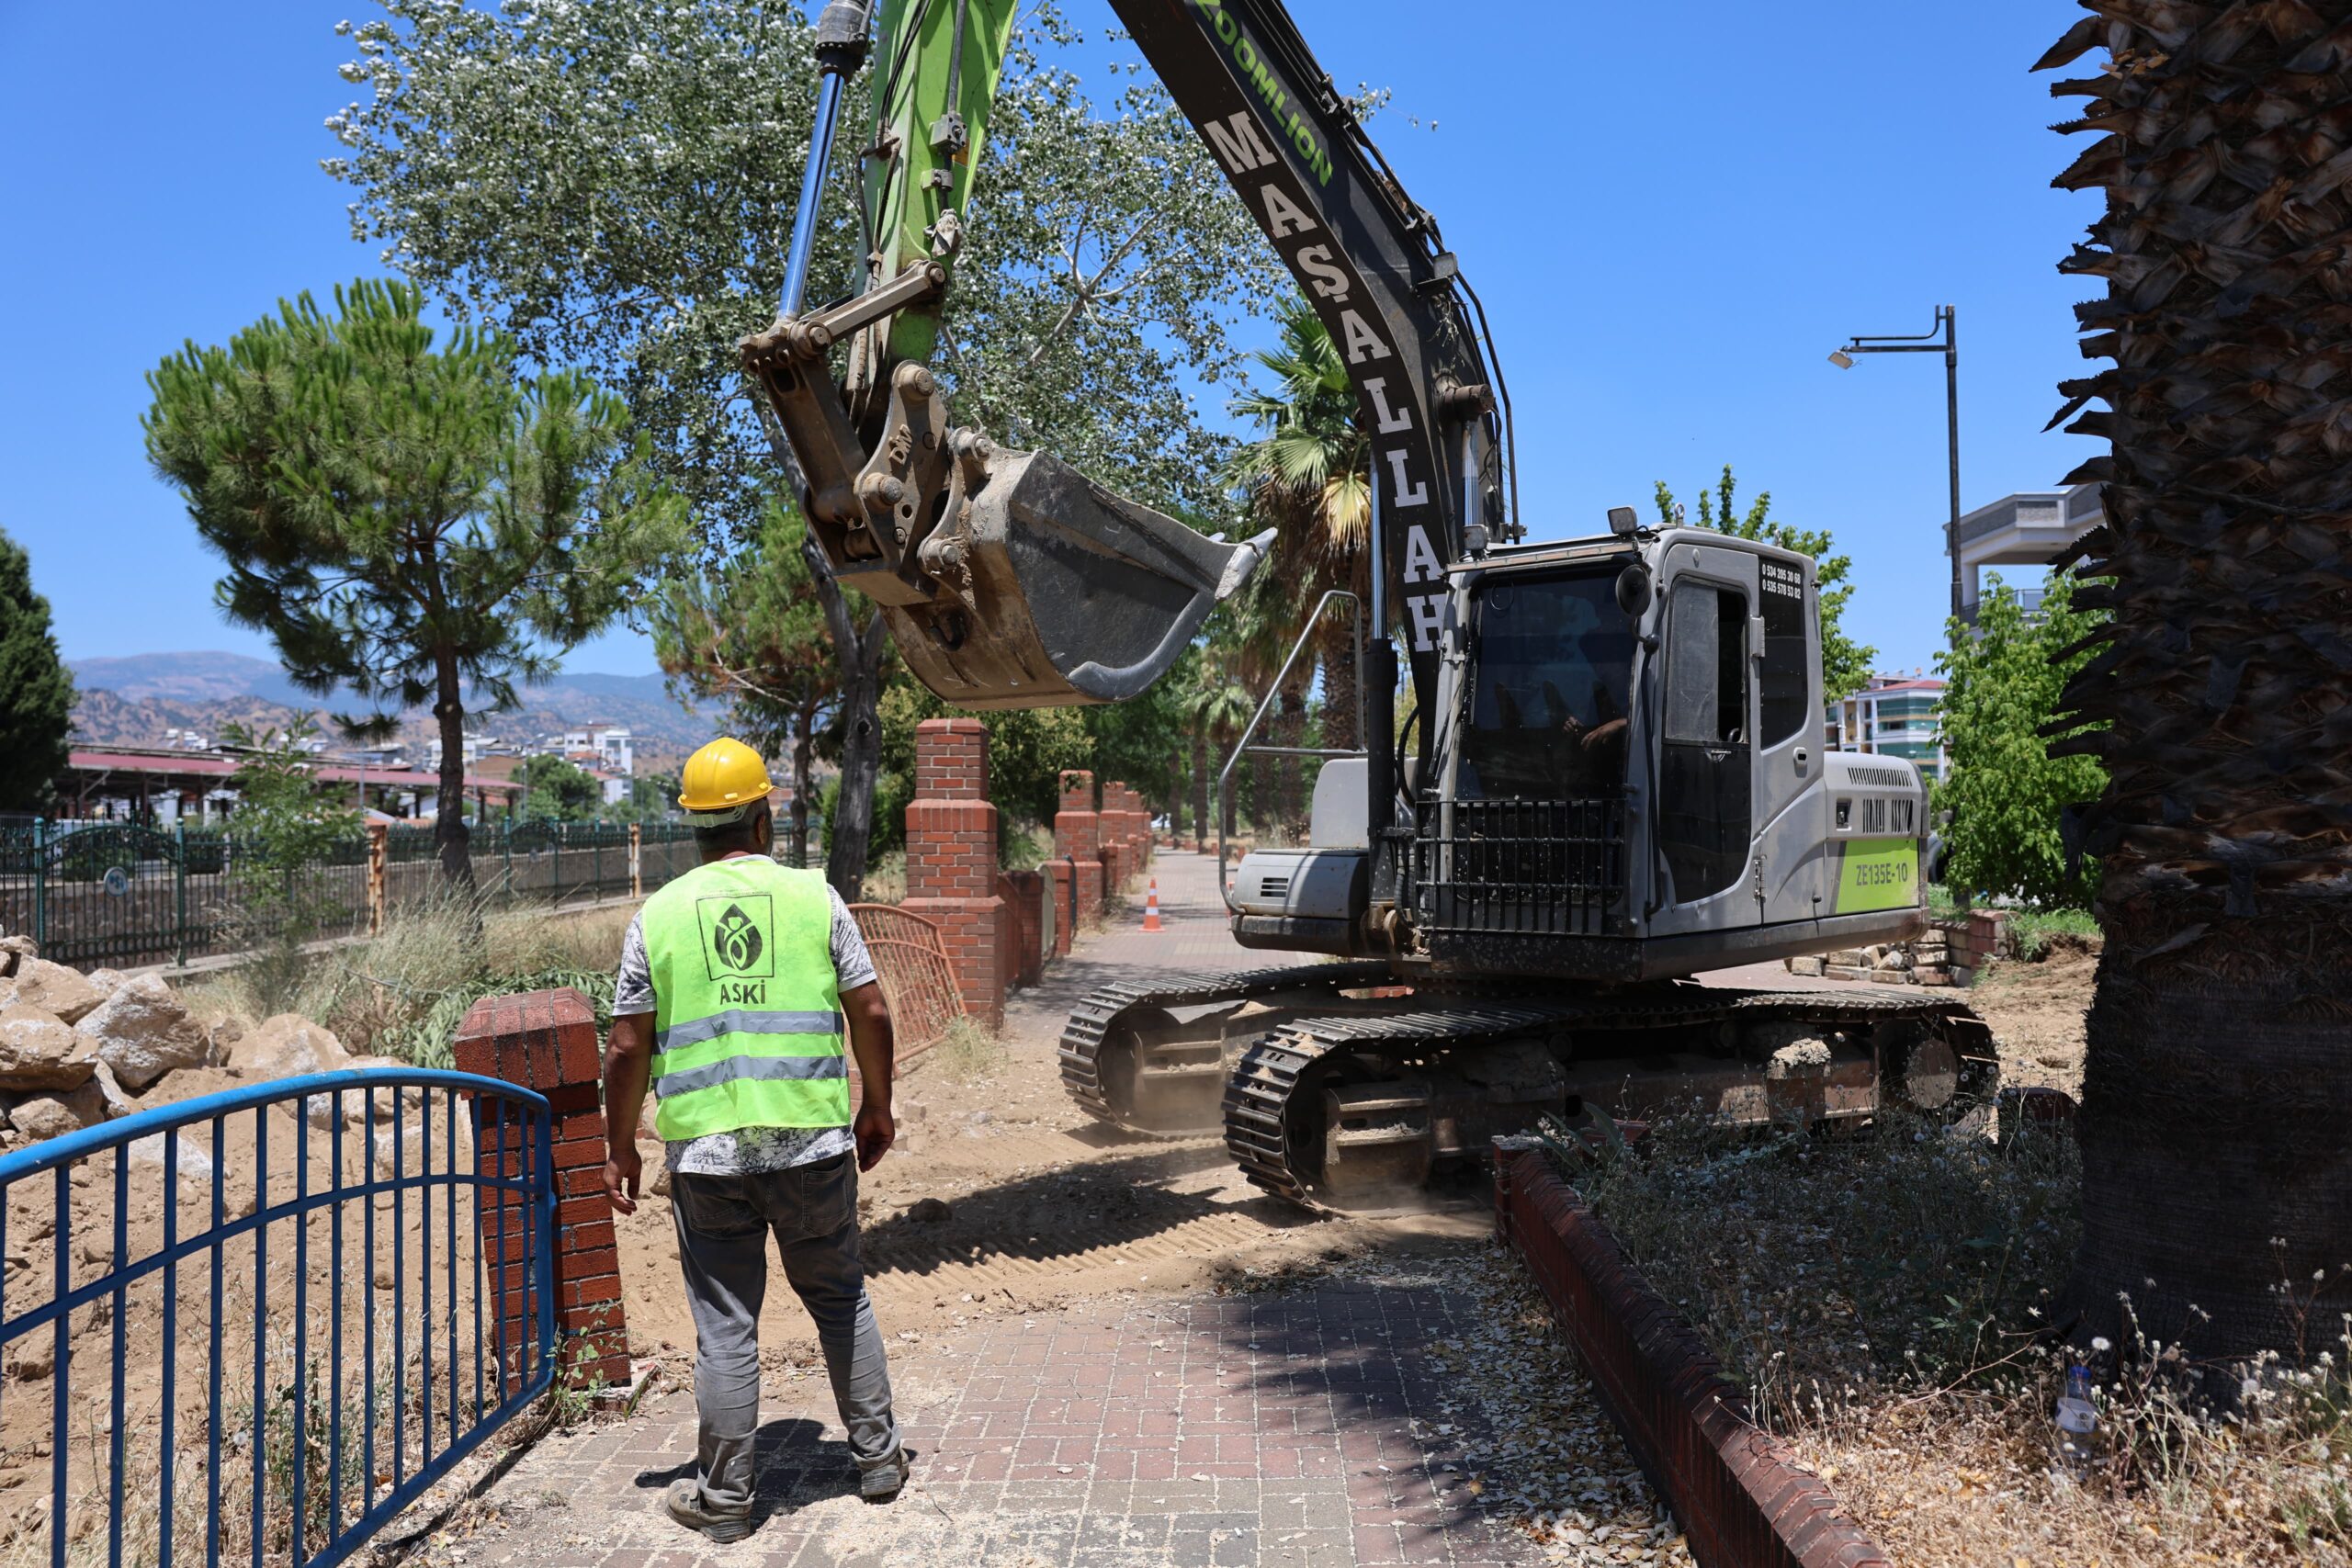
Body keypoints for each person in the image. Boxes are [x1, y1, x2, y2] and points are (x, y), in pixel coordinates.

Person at [600, 737, 905, 1543]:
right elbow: (869, 1010)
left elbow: (627, 1047)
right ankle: (878, 1460)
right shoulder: (816, 897)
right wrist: (877, 1105)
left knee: (727, 1326)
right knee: (839, 1297)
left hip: (707, 1159)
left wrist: (621, 1143)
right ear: (765, 818)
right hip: (811, 1142)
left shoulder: (655, 916)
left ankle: (726, 1498)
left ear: (694, 827)